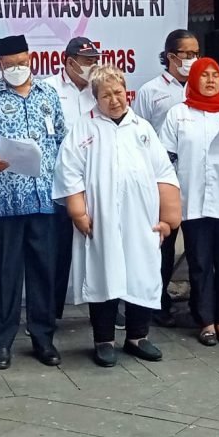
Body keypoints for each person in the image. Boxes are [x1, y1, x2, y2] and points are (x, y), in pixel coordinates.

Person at [54, 66, 181, 367]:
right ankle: (104, 340)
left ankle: (138, 336)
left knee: (142, 273)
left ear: (127, 92)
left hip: (142, 219)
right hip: (101, 219)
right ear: (95, 98)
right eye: (106, 95)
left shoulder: (142, 129)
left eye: (118, 92)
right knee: (104, 274)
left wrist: (169, 218)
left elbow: (164, 173)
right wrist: (78, 211)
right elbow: (69, 171)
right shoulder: (84, 128)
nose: (114, 100)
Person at [0, 34, 67, 370]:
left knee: (44, 271)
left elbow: (62, 137)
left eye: (21, 63)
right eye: (10, 64)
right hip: (5, 200)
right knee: (5, 273)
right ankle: (1, 342)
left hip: (44, 200)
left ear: (31, 59)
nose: (17, 68)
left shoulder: (48, 95)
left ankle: (43, 338)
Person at [158, 58, 219, 348]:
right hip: (194, 199)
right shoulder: (179, 113)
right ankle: (205, 322)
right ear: (194, 79)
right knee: (200, 262)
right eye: (205, 75)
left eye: (216, 75)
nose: (211, 80)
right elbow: (166, 157)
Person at [132, 28, 199, 327]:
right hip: (162, 178)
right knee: (163, 244)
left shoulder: (203, 87)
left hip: (196, 176)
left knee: (198, 244)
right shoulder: (151, 91)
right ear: (171, 56)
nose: (193, 59)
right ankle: (157, 303)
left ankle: (201, 304)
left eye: (196, 53)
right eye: (187, 54)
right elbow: (137, 134)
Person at [45, 36, 99, 321]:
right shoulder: (48, 89)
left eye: (95, 61)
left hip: (96, 180)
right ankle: (50, 313)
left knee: (100, 247)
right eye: (87, 61)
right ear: (69, 62)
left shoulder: (99, 89)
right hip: (60, 183)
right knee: (57, 252)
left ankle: (104, 311)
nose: (92, 66)